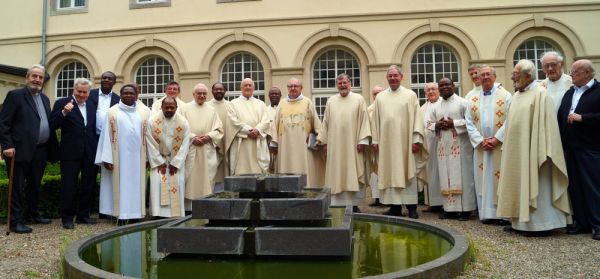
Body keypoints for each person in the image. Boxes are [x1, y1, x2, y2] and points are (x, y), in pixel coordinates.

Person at [497, 59, 570, 234]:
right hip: (517, 151)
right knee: (518, 182)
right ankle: (519, 222)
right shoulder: (516, 95)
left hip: (535, 151)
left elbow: (546, 127)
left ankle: (541, 224)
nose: (512, 76)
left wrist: (541, 150)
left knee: (538, 184)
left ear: (528, 76)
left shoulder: (540, 94)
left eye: (516, 74)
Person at [0, 64, 59, 233]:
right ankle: (15, 220)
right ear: (27, 78)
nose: (37, 80)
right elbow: (3, 123)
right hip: (19, 150)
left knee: (34, 185)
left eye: (40, 77)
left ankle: (33, 214)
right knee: (17, 186)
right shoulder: (15, 96)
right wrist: (7, 145)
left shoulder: (45, 99)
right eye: (34, 76)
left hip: (41, 149)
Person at [371, 66, 425, 218]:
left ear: (401, 77)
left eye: (395, 75)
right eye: (390, 76)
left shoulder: (410, 95)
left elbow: (417, 119)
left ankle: (412, 208)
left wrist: (416, 140)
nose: (393, 78)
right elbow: (375, 120)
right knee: (390, 173)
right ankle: (394, 207)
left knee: (407, 172)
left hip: (405, 144)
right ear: (387, 78)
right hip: (386, 144)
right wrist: (375, 140)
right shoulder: (380, 97)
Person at [95, 84, 151, 221]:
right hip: (118, 157)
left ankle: (136, 214)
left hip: (138, 157)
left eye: (131, 93)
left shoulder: (144, 113)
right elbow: (106, 136)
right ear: (120, 95)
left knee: (136, 185)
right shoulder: (112, 112)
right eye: (125, 93)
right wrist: (107, 158)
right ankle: (119, 214)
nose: (128, 95)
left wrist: (148, 158)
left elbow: (149, 136)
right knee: (118, 185)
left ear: (136, 96)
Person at [558, 59, 600, 240]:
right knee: (575, 187)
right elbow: (562, 116)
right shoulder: (570, 92)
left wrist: (583, 117)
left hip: (591, 147)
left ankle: (598, 225)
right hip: (571, 147)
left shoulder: (598, 92)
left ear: (587, 73)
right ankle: (582, 223)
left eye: (575, 71)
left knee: (593, 187)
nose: (571, 74)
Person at [465, 65, 512, 224]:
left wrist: (497, 138)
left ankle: (502, 213)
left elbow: (510, 119)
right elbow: (468, 122)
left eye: (488, 74)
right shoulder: (472, 98)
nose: (485, 77)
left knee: (501, 177)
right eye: (482, 75)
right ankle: (486, 213)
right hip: (482, 147)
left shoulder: (505, 95)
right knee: (483, 179)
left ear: (494, 76)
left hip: (499, 145)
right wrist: (480, 140)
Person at [50, 77, 98, 229]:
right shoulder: (62, 103)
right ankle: (67, 218)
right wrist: (64, 112)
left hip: (89, 151)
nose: (82, 95)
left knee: (88, 185)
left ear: (89, 93)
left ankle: (83, 215)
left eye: (85, 92)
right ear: (74, 90)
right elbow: (52, 124)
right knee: (69, 186)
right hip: (70, 152)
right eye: (79, 91)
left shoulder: (91, 105)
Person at [317, 73, 370, 212]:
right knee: (337, 172)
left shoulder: (359, 99)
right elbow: (326, 122)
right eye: (340, 83)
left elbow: (365, 121)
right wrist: (324, 142)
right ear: (337, 85)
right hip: (335, 146)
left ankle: (354, 204)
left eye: (345, 82)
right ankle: (337, 203)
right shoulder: (331, 101)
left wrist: (363, 140)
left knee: (352, 171)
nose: (342, 85)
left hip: (353, 145)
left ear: (350, 84)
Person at [427, 77, 475, 221]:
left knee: (464, 177)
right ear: (439, 89)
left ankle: (466, 209)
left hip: (460, 147)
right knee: (445, 176)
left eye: (447, 84)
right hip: (443, 147)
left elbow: (471, 123)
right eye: (441, 86)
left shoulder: (463, 103)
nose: (444, 87)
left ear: (453, 86)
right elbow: (428, 123)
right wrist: (437, 125)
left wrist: (453, 123)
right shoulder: (436, 106)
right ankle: (449, 209)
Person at [270, 78, 322, 186]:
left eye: (296, 86)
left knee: (303, 172)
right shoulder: (282, 104)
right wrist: (274, 144)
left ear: (301, 88)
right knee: (285, 172)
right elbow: (275, 124)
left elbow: (316, 123)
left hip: (303, 146)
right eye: (290, 86)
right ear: (288, 88)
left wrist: (320, 139)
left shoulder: (308, 103)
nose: (293, 88)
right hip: (285, 147)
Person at [146, 97, 190, 218]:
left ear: (176, 108)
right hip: (158, 161)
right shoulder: (153, 121)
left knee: (177, 186)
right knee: (157, 186)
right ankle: (157, 214)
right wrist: (159, 162)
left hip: (175, 162)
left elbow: (186, 143)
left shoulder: (183, 122)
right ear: (161, 107)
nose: (169, 110)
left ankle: (175, 214)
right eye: (167, 107)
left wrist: (176, 163)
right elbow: (149, 142)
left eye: (172, 107)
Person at [181, 83, 223, 210]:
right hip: (191, 149)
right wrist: (193, 137)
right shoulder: (184, 109)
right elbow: (179, 128)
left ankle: (206, 207)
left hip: (206, 150)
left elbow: (219, 130)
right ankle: (189, 209)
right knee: (190, 179)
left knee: (207, 179)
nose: (202, 95)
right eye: (199, 93)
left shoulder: (212, 110)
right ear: (193, 94)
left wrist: (209, 136)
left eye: (204, 93)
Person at [89, 71, 120, 218]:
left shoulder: (118, 99)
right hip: (91, 140)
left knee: (108, 176)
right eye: (104, 78)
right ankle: (87, 211)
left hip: (109, 142)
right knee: (89, 174)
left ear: (114, 82)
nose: (106, 80)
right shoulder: (90, 95)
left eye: (110, 78)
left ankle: (106, 210)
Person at [224, 78, 270, 175]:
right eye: (245, 85)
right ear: (241, 88)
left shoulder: (261, 104)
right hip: (241, 142)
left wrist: (257, 130)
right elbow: (233, 121)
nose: (248, 87)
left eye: (250, 85)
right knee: (241, 170)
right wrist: (249, 130)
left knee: (258, 172)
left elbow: (266, 121)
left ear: (254, 88)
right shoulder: (233, 103)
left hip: (257, 140)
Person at [420, 82, 443, 212]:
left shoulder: (443, 104)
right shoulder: (422, 108)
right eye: (428, 90)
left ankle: (445, 202)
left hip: (442, 143)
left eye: (433, 89)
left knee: (442, 173)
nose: (431, 92)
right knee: (430, 173)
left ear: (438, 90)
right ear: (425, 93)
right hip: (428, 144)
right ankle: (433, 203)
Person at [207, 82, 230, 189]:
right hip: (211, 143)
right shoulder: (207, 106)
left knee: (226, 169)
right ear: (212, 91)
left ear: (225, 91)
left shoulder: (230, 106)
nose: (219, 91)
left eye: (221, 89)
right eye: (216, 89)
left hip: (227, 141)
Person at [367, 85, 384, 207]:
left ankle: (386, 198)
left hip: (386, 145)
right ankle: (377, 197)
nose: (377, 96)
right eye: (374, 94)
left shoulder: (387, 108)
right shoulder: (369, 110)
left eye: (379, 93)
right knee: (374, 173)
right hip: (373, 146)